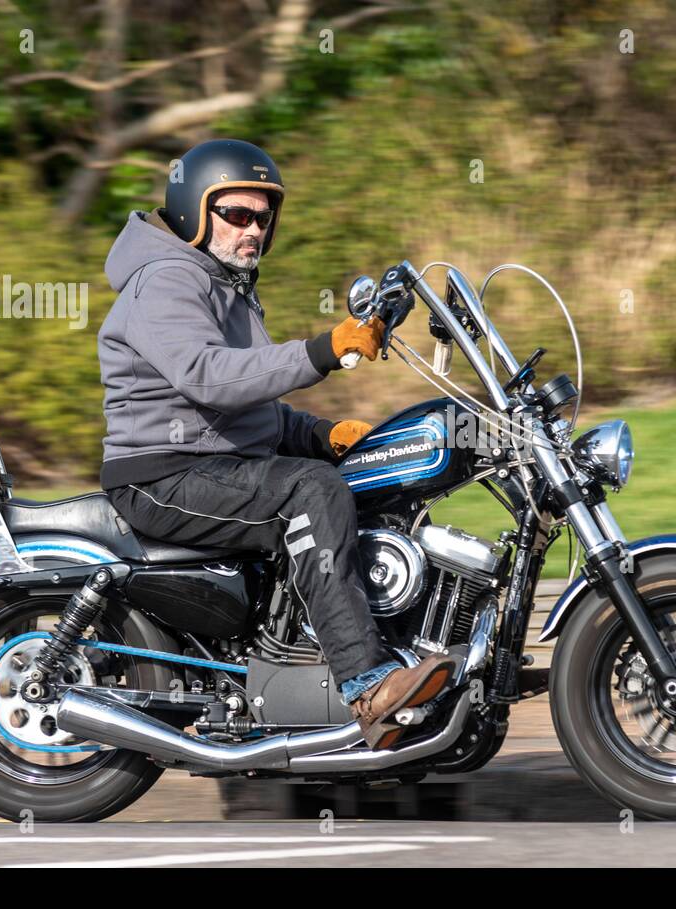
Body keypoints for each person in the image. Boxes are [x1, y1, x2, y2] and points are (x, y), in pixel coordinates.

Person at [96, 138, 454, 749]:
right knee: (311, 490)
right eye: (237, 215)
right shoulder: (166, 281)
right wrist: (325, 350)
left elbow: (247, 400)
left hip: (216, 463)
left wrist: (322, 433)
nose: (253, 230)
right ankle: (368, 686)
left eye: (264, 218)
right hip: (164, 475)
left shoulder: (225, 284)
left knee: (372, 476)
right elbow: (210, 376)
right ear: (193, 212)